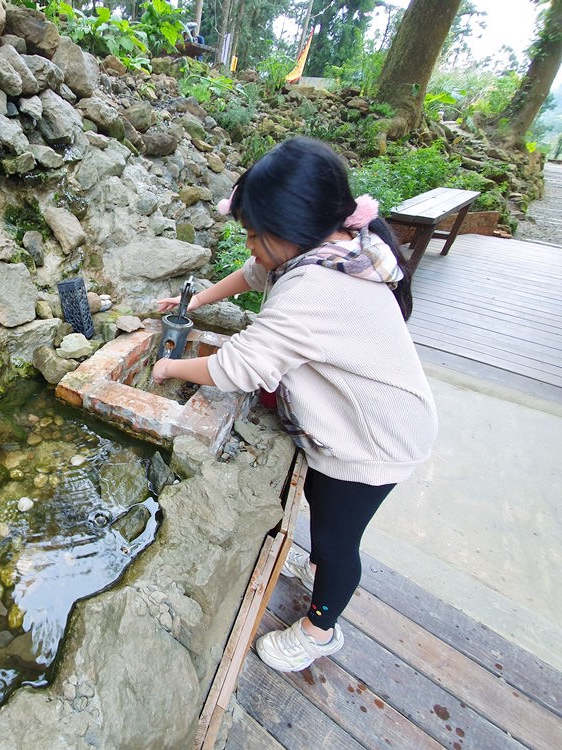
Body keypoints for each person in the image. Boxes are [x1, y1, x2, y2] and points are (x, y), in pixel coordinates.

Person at [153, 137, 438, 672]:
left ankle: (321, 629)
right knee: (329, 522)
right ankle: (323, 577)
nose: (251, 245)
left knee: (335, 540)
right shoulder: (336, 245)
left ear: (291, 230)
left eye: (255, 235)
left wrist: (168, 368)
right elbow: (254, 274)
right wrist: (194, 301)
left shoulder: (313, 289)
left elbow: (238, 367)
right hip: (371, 417)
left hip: (374, 439)